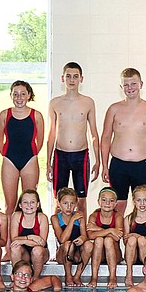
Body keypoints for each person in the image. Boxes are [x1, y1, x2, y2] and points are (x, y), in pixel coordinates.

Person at [100, 68, 146, 216]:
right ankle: (116, 238)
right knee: (117, 206)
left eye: (133, 84)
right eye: (126, 85)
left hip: (142, 165)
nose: (130, 88)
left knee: (141, 206)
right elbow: (105, 137)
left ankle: (139, 237)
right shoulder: (114, 109)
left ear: (141, 84)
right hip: (118, 164)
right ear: (121, 87)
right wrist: (104, 165)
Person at [47, 62, 100, 218]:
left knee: (81, 201)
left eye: (75, 76)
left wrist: (98, 161)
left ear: (81, 79)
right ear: (63, 78)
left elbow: (94, 133)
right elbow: (51, 133)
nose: (72, 80)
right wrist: (48, 163)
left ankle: (82, 237)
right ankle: (59, 239)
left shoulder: (88, 102)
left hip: (81, 156)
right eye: (68, 76)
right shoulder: (55, 103)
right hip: (60, 156)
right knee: (58, 200)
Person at [0, 81, 45, 217]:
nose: (19, 98)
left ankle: (29, 236)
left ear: (29, 95)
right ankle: (8, 238)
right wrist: (6, 154)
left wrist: (32, 155)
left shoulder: (37, 116)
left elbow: (39, 141)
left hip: (29, 160)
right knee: (10, 205)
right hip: (9, 160)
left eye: (23, 94)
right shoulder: (4, 115)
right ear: (11, 95)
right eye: (15, 94)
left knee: (29, 204)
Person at [52, 187, 92, 287]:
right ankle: (68, 276)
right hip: (63, 253)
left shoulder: (80, 216)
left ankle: (77, 276)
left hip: (77, 253)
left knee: (89, 245)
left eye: (72, 203)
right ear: (59, 203)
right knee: (68, 244)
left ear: (76, 204)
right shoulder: (55, 218)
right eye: (65, 203)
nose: (69, 207)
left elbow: (84, 236)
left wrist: (83, 238)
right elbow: (62, 239)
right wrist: (72, 220)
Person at [86, 187, 124, 288]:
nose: (107, 203)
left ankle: (113, 277)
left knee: (108, 240)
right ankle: (94, 278)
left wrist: (97, 229)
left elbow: (117, 237)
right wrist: (110, 230)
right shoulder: (93, 216)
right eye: (104, 200)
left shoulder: (118, 217)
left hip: (115, 255)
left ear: (116, 203)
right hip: (100, 255)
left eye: (111, 201)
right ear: (98, 201)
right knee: (98, 240)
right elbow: (90, 235)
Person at [8, 189, 50, 279]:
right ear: (20, 205)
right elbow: (14, 239)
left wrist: (23, 240)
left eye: (32, 202)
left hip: (41, 254)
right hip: (25, 253)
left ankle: (35, 278)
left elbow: (42, 243)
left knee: (37, 250)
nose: (29, 205)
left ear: (38, 204)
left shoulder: (42, 217)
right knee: (15, 247)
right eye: (25, 202)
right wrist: (30, 237)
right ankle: (17, 276)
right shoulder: (16, 216)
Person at [122, 185, 146, 287]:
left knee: (141, 240)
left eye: (145, 200)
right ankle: (129, 273)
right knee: (132, 240)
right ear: (134, 201)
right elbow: (125, 241)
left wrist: (137, 235)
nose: (142, 203)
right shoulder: (128, 219)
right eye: (139, 200)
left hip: (145, 254)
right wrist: (139, 237)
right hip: (131, 255)